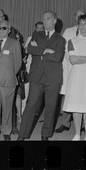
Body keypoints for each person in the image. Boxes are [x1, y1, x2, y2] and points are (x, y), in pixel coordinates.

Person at [17, 11, 65, 141]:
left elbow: (57, 57)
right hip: (36, 76)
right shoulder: (36, 34)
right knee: (31, 104)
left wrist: (40, 51)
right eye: (43, 18)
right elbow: (29, 49)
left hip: (53, 78)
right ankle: (22, 134)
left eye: (48, 18)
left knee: (51, 106)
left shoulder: (61, 39)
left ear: (55, 21)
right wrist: (46, 50)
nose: (45, 21)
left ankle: (45, 134)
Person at [54, 9, 85, 134]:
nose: (78, 18)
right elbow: (63, 48)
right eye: (76, 16)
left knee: (82, 96)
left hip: (83, 66)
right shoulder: (68, 31)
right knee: (67, 95)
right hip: (68, 66)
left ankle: (83, 124)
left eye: (81, 16)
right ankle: (65, 122)